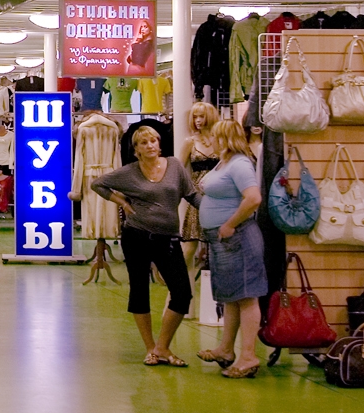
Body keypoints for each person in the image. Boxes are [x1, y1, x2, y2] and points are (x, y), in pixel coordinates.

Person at [91, 124, 201, 367]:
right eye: (144, 143)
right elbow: (97, 184)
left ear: (159, 144)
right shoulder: (129, 172)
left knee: (182, 293)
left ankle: (163, 346)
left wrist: (220, 213)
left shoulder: (174, 166)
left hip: (168, 237)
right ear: (136, 149)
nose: (150, 145)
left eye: (153, 141)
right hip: (137, 237)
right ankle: (150, 348)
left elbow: (192, 195)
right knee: (140, 291)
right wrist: (122, 202)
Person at [194, 119, 266, 377]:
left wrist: (230, 223)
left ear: (224, 138)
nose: (209, 140)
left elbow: (253, 198)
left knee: (246, 295)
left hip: (238, 238)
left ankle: (248, 356)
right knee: (231, 296)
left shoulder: (240, 163)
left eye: (213, 136)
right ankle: (226, 349)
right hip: (223, 240)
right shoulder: (223, 162)